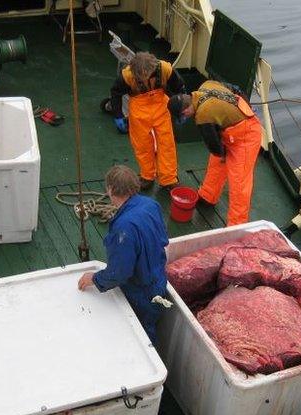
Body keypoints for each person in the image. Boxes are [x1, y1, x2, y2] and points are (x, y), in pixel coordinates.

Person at [77, 165, 169, 342]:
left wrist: (94, 279)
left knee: (141, 337)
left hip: (140, 294)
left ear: (110, 190)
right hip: (159, 281)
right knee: (150, 327)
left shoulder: (123, 228)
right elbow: (163, 239)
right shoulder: (151, 205)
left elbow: (120, 272)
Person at [167, 81, 263, 226]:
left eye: (184, 117)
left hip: (246, 135)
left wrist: (224, 154)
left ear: (185, 111)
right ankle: (207, 197)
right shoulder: (206, 85)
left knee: (239, 183)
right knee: (216, 165)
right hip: (229, 130)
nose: (186, 119)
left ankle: (236, 225)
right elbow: (235, 89)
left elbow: (213, 145)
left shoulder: (203, 115)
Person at [110, 52, 185, 191]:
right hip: (139, 110)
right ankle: (147, 176)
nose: (144, 77)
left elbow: (179, 88)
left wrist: (181, 108)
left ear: (153, 68)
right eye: (140, 75)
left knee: (166, 144)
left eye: (147, 74)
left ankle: (168, 179)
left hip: (162, 107)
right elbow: (115, 93)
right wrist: (118, 115)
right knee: (142, 145)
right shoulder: (127, 76)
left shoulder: (165, 69)